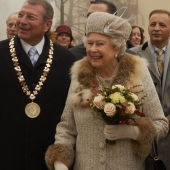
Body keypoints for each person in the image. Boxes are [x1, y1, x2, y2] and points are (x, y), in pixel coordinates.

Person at [45, 12, 168, 170]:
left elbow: (161, 124)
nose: (92, 49)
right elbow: (67, 127)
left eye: (100, 44)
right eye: (89, 43)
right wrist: (60, 162)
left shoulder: (138, 74)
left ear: (117, 47)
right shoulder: (80, 76)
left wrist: (133, 132)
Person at [0, 0, 76, 170]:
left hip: (49, 159)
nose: (22, 21)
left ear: (47, 25)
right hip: (7, 157)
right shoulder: (2, 53)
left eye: (31, 17)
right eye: (21, 15)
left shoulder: (67, 60)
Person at [130, 9, 170, 169]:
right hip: (143, 133)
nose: (157, 28)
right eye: (153, 24)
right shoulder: (133, 55)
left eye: (162, 24)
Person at [69, 0, 136, 60]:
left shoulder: (131, 60)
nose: (91, 19)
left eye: (98, 16)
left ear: (113, 21)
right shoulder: (71, 55)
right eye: (89, 15)